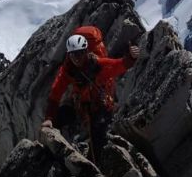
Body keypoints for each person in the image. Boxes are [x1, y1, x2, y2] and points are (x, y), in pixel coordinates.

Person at [42, 33, 140, 164]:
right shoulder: (68, 70)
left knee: (97, 139)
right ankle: (48, 155)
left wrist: (131, 58)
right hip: (81, 105)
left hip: (101, 107)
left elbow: (119, 65)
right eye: (72, 55)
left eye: (79, 53)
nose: (76, 58)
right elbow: (55, 93)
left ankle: (96, 169)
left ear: (86, 52)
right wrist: (49, 118)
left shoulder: (98, 65)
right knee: (59, 117)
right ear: (68, 55)